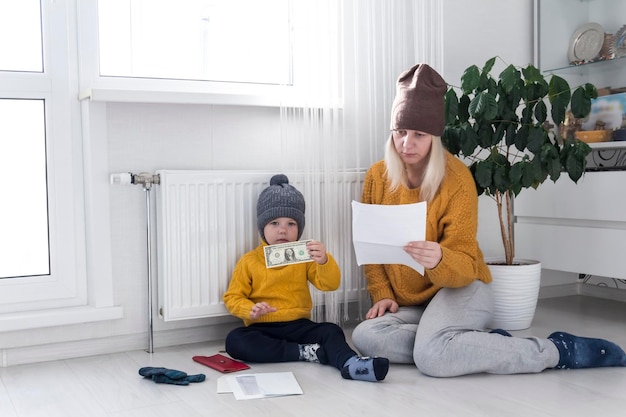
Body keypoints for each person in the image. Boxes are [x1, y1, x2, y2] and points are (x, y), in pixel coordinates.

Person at [350, 63, 626, 377]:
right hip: (414, 304)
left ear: (435, 135)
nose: (406, 144)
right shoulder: (378, 176)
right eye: (400, 132)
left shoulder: (456, 179)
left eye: (419, 134)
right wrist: (383, 294)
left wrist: (440, 257)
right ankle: (462, 344)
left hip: (463, 289)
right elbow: (372, 248)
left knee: (432, 359)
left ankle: (556, 350)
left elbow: (466, 266)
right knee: (365, 335)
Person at [223, 174, 389, 382]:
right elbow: (232, 297)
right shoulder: (249, 260)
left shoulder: (306, 256)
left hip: (300, 325)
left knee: (331, 330)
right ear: (262, 226)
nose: (283, 230)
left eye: (291, 224)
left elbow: (329, 284)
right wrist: (251, 309)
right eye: (274, 222)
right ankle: (304, 352)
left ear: (299, 228)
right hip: (262, 328)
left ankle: (351, 364)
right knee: (235, 341)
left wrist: (324, 261)